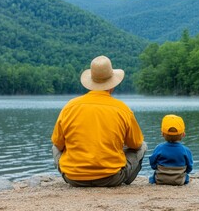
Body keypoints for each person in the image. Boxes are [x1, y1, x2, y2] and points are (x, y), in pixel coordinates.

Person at [51, 55, 147, 187]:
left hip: (74, 178)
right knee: (143, 146)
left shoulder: (70, 106)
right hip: (111, 178)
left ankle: (77, 170)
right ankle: (126, 179)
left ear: (90, 82)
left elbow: (58, 143)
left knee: (54, 147)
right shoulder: (123, 109)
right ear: (112, 85)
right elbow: (136, 144)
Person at [149, 114, 193, 185]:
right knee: (186, 177)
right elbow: (189, 167)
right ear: (183, 134)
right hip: (179, 180)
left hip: (160, 179)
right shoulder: (186, 150)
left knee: (151, 178)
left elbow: (152, 163)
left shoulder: (159, 148)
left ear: (162, 134)